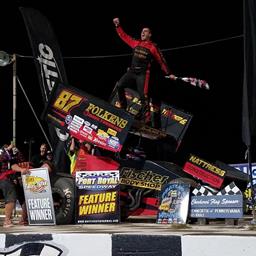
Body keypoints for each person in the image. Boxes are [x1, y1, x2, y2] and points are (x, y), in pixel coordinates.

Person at [112, 17, 177, 125]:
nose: (142, 32)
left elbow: (161, 62)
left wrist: (169, 74)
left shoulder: (153, 47)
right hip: (131, 72)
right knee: (120, 86)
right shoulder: (136, 43)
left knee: (144, 96)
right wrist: (118, 26)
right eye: (142, 31)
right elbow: (124, 36)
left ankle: (146, 119)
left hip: (142, 74)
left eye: (145, 31)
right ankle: (123, 108)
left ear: (150, 34)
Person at [0, 142, 30, 228]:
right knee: (11, 192)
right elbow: (1, 158)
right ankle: (7, 220)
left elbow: (15, 164)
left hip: (13, 177)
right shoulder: (2, 151)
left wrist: (22, 168)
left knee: (24, 195)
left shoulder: (14, 153)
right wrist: (7, 149)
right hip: (3, 178)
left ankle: (24, 219)